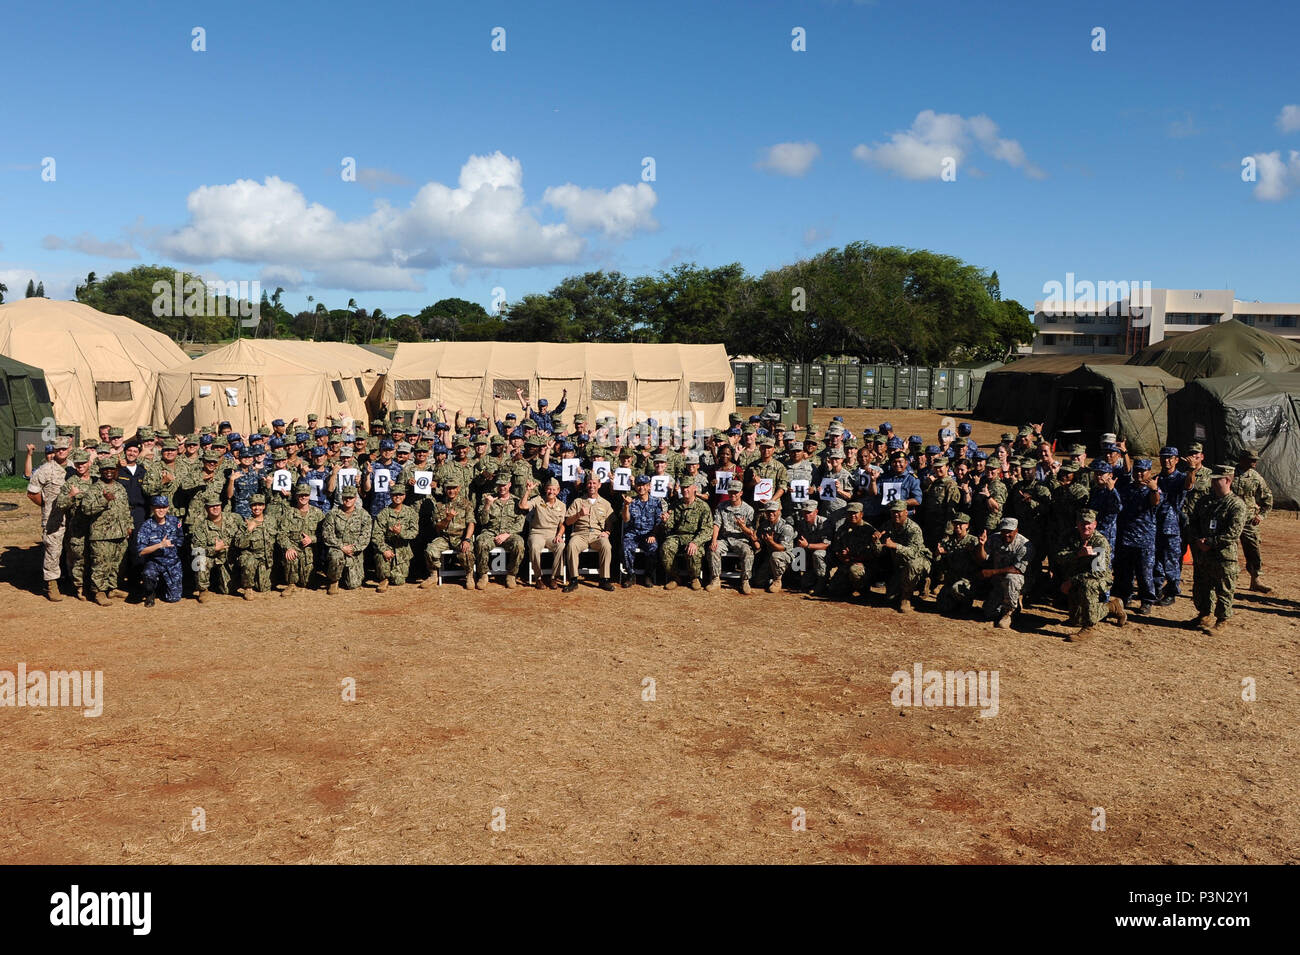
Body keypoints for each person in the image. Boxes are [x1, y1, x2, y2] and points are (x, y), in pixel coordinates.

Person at [1188, 465, 1249, 631]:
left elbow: (1233, 533)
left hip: (1224, 556)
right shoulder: (1205, 501)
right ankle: (1204, 615)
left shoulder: (1236, 505)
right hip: (1203, 554)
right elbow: (1193, 522)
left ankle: (1222, 620)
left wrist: (1209, 543)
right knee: (1202, 586)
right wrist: (1198, 540)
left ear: (1227, 480)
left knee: (1224, 588)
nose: (1213, 483)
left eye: (1217, 480)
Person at [1055, 509, 1127, 642]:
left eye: (1089, 524)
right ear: (1077, 523)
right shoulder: (1069, 536)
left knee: (1089, 585)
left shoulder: (1099, 542)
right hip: (1076, 578)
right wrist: (1078, 554)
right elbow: (1059, 557)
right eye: (1082, 523)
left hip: (1098, 579)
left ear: (1095, 524)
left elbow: (1097, 572)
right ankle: (1112, 607)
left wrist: (1072, 581)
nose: (1085, 527)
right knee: (1076, 620)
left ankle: (1088, 628)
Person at [77, 458, 133, 606]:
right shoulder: (95, 489)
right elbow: (86, 509)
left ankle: (112, 588)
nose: (109, 472)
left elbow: (126, 509)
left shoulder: (120, 487)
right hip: (101, 534)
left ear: (116, 471)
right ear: (100, 471)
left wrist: (129, 525)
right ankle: (99, 591)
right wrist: (104, 500)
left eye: (111, 469)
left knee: (116, 564)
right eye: (105, 470)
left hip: (120, 533)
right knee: (101, 564)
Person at [1113, 459, 1162, 614]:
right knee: (1124, 572)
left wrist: (1154, 489)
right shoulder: (1127, 489)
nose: (1139, 474)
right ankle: (1125, 597)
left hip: (1144, 540)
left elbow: (1155, 503)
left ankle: (1147, 601)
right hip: (1126, 537)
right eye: (1137, 471)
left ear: (1149, 472)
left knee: (1145, 573)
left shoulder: (1153, 490)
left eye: (1143, 471)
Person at [26, 436, 71, 601]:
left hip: (73, 518)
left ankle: (72, 581)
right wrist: (45, 505)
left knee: (73, 551)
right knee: (53, 551)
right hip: (53, 519)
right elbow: (32, 493)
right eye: (58, 449)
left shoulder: (75, 466)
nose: (61, 452)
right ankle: (52, 585)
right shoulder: (45, 470)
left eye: (64, 449)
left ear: (69, 449)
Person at [563, 474, 616, 592]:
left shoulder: (605, 503)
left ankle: (604, 579)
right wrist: (579, 514)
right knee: (572, 545)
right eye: (589, 483)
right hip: (580, 534)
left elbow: (611, 521)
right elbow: (567, 521)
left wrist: (607, 532)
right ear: (586, 485)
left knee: (606, 545)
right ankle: (573, 580)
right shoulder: (578, 501)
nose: (591, 485)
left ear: (599, 485)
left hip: (597, 535)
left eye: (594, 483)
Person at [420, 478, 476, 589]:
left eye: (454, 488)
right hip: (444, 538)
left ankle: (469, 575)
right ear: (445, 490)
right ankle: (433, 574)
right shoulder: (439, 506)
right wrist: (448, 518)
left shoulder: (466, 504)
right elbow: (438, 527)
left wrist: (467, 539)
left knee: (466, 551)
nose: (451, 491)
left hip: (461, 537)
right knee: (430, 550)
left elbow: (471, 523)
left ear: (458, 488)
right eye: (448, 488)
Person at [55, 450, 96, 600]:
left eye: (83, 463)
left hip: (95, 527)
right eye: (77, 464)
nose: (80, 466)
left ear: (89, 463)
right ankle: (79, 587)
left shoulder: (96, 481)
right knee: (79, 557)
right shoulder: (70, 482)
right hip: (77, 526)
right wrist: (71, 496)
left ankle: (94, 586)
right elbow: (59, 505)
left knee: (94, 557)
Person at [189, 492, 244, 601]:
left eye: (217, 505)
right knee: (199, 561)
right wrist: (214, 549)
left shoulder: (234, 518)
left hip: (229, 558)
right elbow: (196, 550)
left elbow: (243, 533)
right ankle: (203, 590)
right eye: (212, 506)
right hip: (213, 558)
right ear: (206, 508)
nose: (215, 508)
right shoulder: (200, 527)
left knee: (228, 591)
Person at [1232, 450, 1274, 593]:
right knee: (1229, 549)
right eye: (1251, 460)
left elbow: (1268, 499)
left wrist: (1261, 516)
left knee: (1253, 549)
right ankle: (1229, 579)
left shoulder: (1256, 478)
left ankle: (1255, 580)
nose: (1254, 463)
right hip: (1230, 519)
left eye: (1255, 460)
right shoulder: (1229, 474)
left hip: (1249, 521)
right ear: (1242, 459)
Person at [879, 499, 930, 613]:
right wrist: (876, 540)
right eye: (893, 512)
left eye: (899, 511)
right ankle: (919, 583)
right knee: (890, 598)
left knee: (913, 564)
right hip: (900, 564)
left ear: (906, 513)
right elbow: (882, 542)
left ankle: (906, 598)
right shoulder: (888, 525)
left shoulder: (913, 529)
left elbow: (914, 553)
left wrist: (895, 546)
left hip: (919, 562)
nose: (896, 514)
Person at [476, 475, 526, 589]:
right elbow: (483, 522)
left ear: (509, 485)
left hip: (509, 534)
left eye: (504, 485)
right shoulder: (488, 499)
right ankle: (483, 575)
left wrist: (507, 534)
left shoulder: (516, 501)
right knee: (481, 542)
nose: (502, 488)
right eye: (499, 485)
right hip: (490, 533)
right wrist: (487, 505)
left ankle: (511, 575)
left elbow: (520, 523)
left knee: (519, 544)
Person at [661, 481, 713, 590]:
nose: (685, 490)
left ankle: (695, 578)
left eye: (688, 487)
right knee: (666, 547)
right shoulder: (676, 504)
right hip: (677, 536)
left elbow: (707, 530)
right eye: (683, 487)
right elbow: (670, 526)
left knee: (693, 551)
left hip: (695, 537)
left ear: (694, 488)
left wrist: (695, 542)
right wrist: (665, 521)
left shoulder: (703, 506)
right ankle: (675, 578)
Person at [979, 517, 1029, 629]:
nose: (1006, 534)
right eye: (1003, 531)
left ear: (1016, 530)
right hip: (999, 582)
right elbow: (983, 558)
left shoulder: (1025, 545)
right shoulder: (994, 538)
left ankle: (1009, 612)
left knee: (1011, 577)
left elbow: (1018, 569)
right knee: (989, 613)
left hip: (1018, 582)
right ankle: (1008, 602)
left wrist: (992, 572)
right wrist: (981, 545)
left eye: (1010, 532)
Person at [322, 485, 372, 594]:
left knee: (353, 585)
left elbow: (365, 536)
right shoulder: (332, 514)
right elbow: (327, 535)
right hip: (337, 548)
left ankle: (346, 575)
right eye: (345, 497)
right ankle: (334, 581)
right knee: (336, 556)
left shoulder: (363, 515)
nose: (348, 500)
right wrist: (341, 547)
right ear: (341, 498)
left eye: (351, 497)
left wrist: (353, 548)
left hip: (354, 551)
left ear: (355, 498)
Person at [135, 495, 184, 606]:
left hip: (172, 562)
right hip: (155, 562)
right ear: (152, 508)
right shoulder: (146, 526)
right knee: (148, 573)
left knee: (173, 598)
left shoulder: (175, 521)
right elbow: (141, 551)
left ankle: (162, 586)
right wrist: (160, 545)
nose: (161, 510)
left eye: (163, 507)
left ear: (167, 508)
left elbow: (180, 539)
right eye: (157, 507)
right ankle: (150, 593)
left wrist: (174, 552)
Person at [826, 502, 880, 602]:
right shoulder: (842, 529)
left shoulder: (869, 530)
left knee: (855, 571)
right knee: (833, 590)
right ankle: (849, 587)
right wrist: (842, 556)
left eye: (855, 513)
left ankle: (864, 591)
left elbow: (875, 554)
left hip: (864, 565)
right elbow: (837, 549)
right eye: (850, 513)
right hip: (847, 563)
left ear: (861, 514)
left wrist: (853, 557)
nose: (852, 516)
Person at [708, 484, 756, 593]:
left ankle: (745, 580)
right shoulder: (721, 506)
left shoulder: (748, 509)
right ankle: (715, 579)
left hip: (741, 540)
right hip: (725, 539)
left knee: (747, 552)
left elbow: (751, 533)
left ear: (741, 493)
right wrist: (714, 541)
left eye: (735, 492)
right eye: (730, 492)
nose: (733, 495)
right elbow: (716, 524)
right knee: (713, 549)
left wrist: (743, 527)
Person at [278, 482, 324, 595]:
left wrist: (312, 539)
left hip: (310, 551)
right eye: (300, 495)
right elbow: (281, 534)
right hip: (294, 548)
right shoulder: (289, 512)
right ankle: (291, 584)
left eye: (306, 495)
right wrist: (288, 547)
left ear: (309, 496)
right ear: (296, 496)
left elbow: (325, 534)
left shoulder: (318, 513)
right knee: (290, 556)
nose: (303, 497)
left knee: (307, 583)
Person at [521, 478, 567, 589]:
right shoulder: (538, 500)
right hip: (537, 532)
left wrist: (559, 535)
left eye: (554, 490)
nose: (551, 492)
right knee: (535, 547)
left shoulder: (562, 505)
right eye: (549, 489)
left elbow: (562, 525)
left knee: (561, 545)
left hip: (552, 534)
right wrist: (528, 491)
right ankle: (538, 578)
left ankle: (553, 578)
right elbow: (523, 506)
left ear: (558, 491)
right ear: (545, 489)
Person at [371, 483, 417, 592]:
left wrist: (401, 532)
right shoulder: (383, 513)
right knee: (380, 556)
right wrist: (384, 549)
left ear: (404, 496)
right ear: (391, 496)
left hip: (403, 550)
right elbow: (376, 535)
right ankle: (384, 579)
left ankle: (393, 573)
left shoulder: (411, 512)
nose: (397, 497)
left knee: (398, 581)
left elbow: (414, 532)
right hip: (387, 546)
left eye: (400, 494)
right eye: (395, 494)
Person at [933, 512, 981, 616]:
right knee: (942, 606)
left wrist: (973, 551)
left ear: (967, 525)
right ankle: (955, 602)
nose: (957, 526)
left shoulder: (973, 541)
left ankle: (966, 603)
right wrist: (938, 554)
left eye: (961, 524)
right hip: (952, 578)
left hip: (967, 580)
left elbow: (980, 561)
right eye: (955, 524)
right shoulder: (949, 542)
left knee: (957, 589)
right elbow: (940, 564)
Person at [621, 475, 664, 588]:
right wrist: (626, 506)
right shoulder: (630, 501)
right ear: (635, 486)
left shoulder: (656, 502)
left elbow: (659, 521)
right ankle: (630, 575)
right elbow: (626, 519)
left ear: (649, 487)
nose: (641, 488)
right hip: (633, 533)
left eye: (644, 485)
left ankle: (648, 576)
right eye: (639, 485)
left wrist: (653, 534)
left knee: (653, 547)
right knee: (626, 546)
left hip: (649, 533)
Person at [234, 493, 277, 598]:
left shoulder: (271, 521)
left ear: (264, 506)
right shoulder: (246, 523)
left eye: (260, 505)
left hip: (266, 558)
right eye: (254, 505)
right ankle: (248, 588)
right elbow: (239, 544)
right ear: (250, 507)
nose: (257, 508)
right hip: (252, 557)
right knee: (248, 561)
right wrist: (249, 529)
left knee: (263, 588)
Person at [750, 501, 795, 593]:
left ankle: (777, 581)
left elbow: (782, 548)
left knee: (776, 555)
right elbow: (759, 546)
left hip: (786, 557)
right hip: (770, 557)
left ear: (778, 511)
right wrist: (754, 540)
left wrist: (771, 541)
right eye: (768, 511)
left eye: (773, 511)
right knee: (758, 582)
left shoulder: (786, 527)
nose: (771, 513)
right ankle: (771, 578)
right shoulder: (764, 525)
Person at [793, 501, 831, 595]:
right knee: (797, 551)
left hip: (825, 556)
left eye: (809, 512)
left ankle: (822, 582)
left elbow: (826, 545)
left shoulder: (825, 523)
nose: (806, 515)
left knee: (817, 553)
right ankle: (799, 578)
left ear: (816, 511)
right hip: (809, 555)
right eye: (804, 512)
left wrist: (807, 546)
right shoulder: (801, 523)